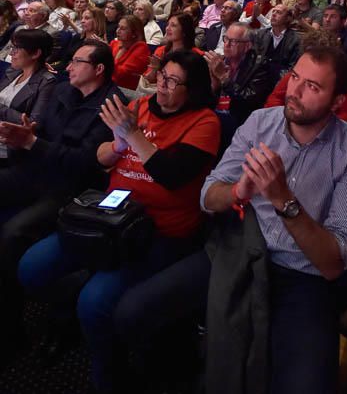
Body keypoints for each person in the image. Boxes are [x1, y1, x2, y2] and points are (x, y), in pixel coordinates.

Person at [18, 50, 221, 394]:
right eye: (161, 76)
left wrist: (135, 137)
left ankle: (108, 374)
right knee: (31, 268)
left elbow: (172, 176)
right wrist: (115, 146)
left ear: (194, 89)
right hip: (108, 217)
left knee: (94, 302)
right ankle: (71, 310)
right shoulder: (140, 108)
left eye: (173, 81)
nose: (162, 85)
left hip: (157, 231)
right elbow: (101, 157)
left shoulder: (205, 123)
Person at [201, 46, 347, 394]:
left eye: (312, 86)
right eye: (294, 77)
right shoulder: (259, 123)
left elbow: (333, 263)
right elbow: (207, 198)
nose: (294, 91)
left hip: (302, 277)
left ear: (338, 101)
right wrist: (239, 190)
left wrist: (283, 199)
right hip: (241, 251)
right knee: (136, 312)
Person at [0, 41, 124, 351]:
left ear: (98, 69)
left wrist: (33, 143)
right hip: (36, 171)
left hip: (70, 188)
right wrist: (26, 137)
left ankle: (12, 331)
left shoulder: (111, 106)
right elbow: (42, 135)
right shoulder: (64, 91)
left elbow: (85, 163)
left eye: (77, 62)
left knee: (12, 234)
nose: (67, 67)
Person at [204, 22, 274, 128]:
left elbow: (249, 101)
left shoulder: (260, 65)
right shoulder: (220, 61)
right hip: (214, 116)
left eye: (233, 41)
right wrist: (214, 84)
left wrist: (224, 79)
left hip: (241, 121)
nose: (226, 45)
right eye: (225, 39)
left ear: (247, 46)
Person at [0, 29, 55, 159]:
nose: (11, 53)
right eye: (12, 47)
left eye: (17, 48)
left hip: (8, 146)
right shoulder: (13, 72)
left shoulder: (46, 82)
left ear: (35, 53)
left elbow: (33, 123)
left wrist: (1, 109)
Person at [253, 3, 300, 85]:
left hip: (281, 83)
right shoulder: (260, 35)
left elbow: (292, 68)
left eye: (279, 12)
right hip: (258, 82)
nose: (274, 14)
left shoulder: (295, 40)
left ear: (288, 18)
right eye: (273, 11)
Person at [110, 15, 150, 90]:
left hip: (126, 91)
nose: (117, 31)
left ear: (134, 33)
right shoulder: (114, 43)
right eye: (118, 27)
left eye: (123, 29)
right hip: (110, 86)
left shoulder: (141, 48)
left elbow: (121, 75)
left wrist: (105, 57)